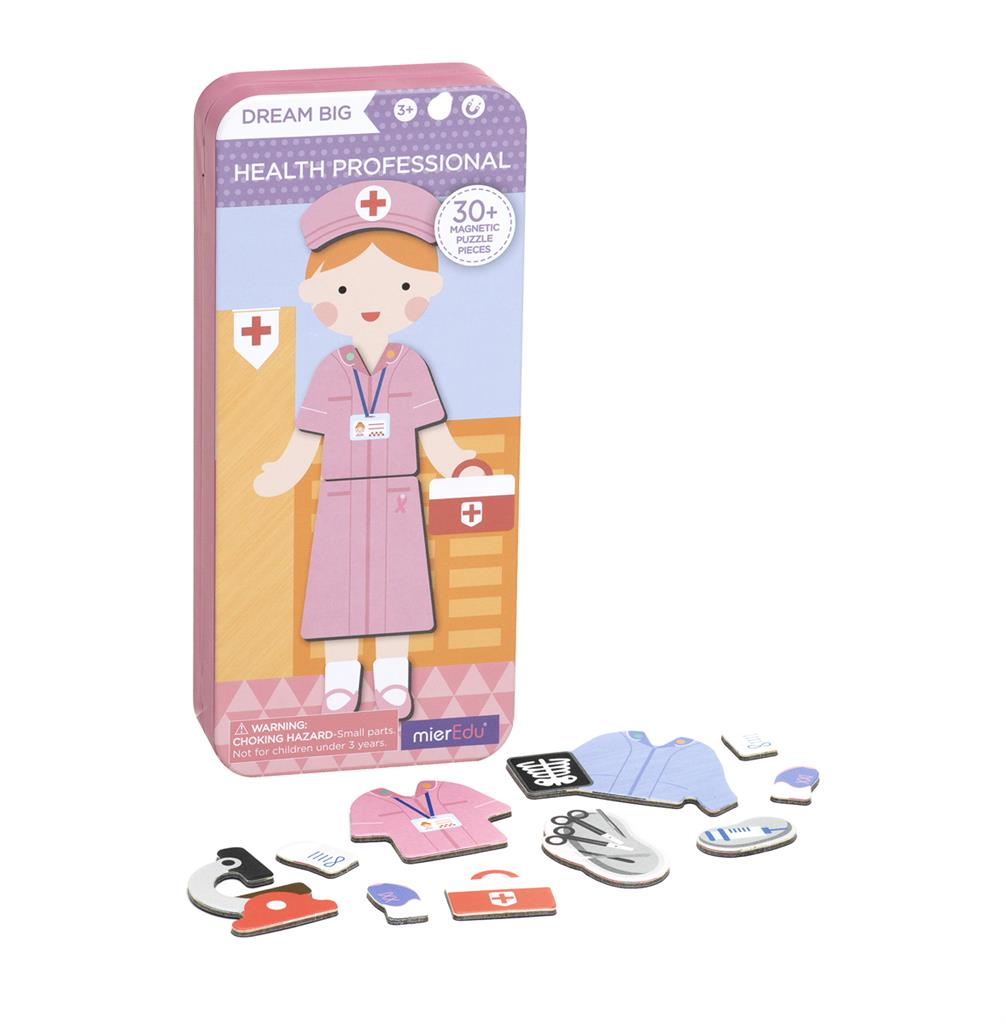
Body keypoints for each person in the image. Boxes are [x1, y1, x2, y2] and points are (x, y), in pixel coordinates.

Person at [253, 180, 481, 719]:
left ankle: (393, 677)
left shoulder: (414, 366)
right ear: (324, 299)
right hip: (341, 497)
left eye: (398, 284)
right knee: (338, 589)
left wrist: (461, 467)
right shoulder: (330, 370)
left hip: (399, 494)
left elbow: (435, 434)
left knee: (397, 589)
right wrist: (282, 472)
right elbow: (307, 436)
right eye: (346, 288)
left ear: (418, 292)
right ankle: (341, 679)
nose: (372, 303)